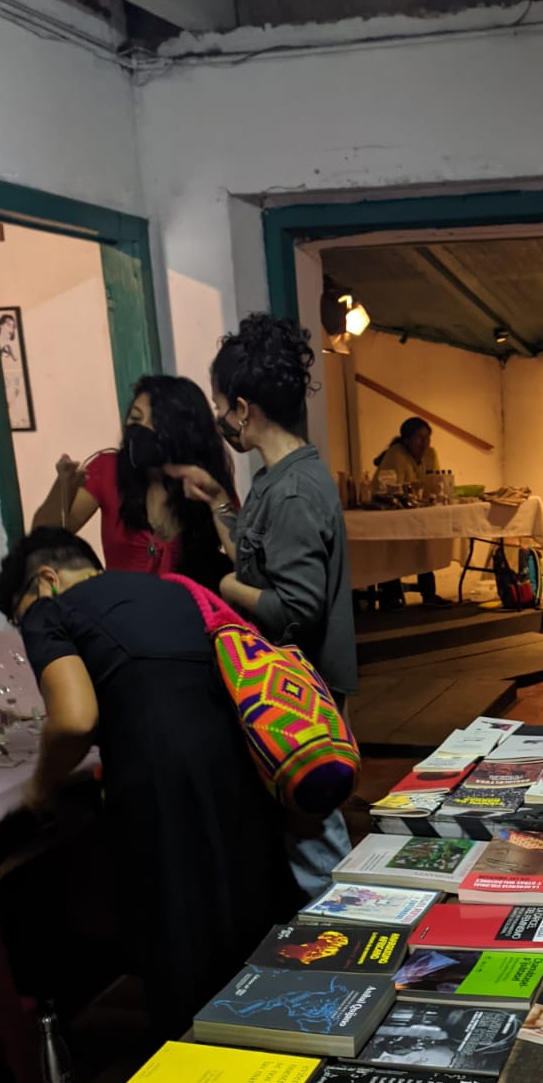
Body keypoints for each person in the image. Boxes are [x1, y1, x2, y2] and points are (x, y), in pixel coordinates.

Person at [0, 528, 298, 1035]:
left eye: (20, 613)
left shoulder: (51, 610)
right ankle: (283, 1043)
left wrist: (40, 785)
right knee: (249, 917)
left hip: (160, 782)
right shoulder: (174, 588)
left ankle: (200, 1077)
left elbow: (73, 719)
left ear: (45, 579)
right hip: (240, 766)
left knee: (180, 940)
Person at [164, 313, 356, 900]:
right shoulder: (283, 477)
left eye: (223, 406)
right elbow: (263, 564)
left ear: (244, 408)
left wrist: (223, 589)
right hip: (296, 689)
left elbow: (294, 609)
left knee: (315, 841)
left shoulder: (294, 492)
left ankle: (353, 942)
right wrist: (223, 504)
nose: (222, 419)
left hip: (302, 698)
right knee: (305, 834)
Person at [33, 375, 235, 587]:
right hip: (124, 612)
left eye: (155, 422)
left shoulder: (205, 478)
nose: (141, 430)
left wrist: (215, 499)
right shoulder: (108, 469)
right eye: (136, 419)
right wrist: (62, 488)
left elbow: (240, 554)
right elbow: (42, 539)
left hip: (191, 610)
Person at [373, 417, 452, 609]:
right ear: (406, 440)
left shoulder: (430, 454)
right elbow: (394, 488)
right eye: (419, 438)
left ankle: (429, 593)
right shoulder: (396, 454)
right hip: (389, 509)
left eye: (427, 438)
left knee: (426, 542)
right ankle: (391, 594)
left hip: (414, 510)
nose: (424, 443)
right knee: (392, 546)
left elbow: (434, 481)